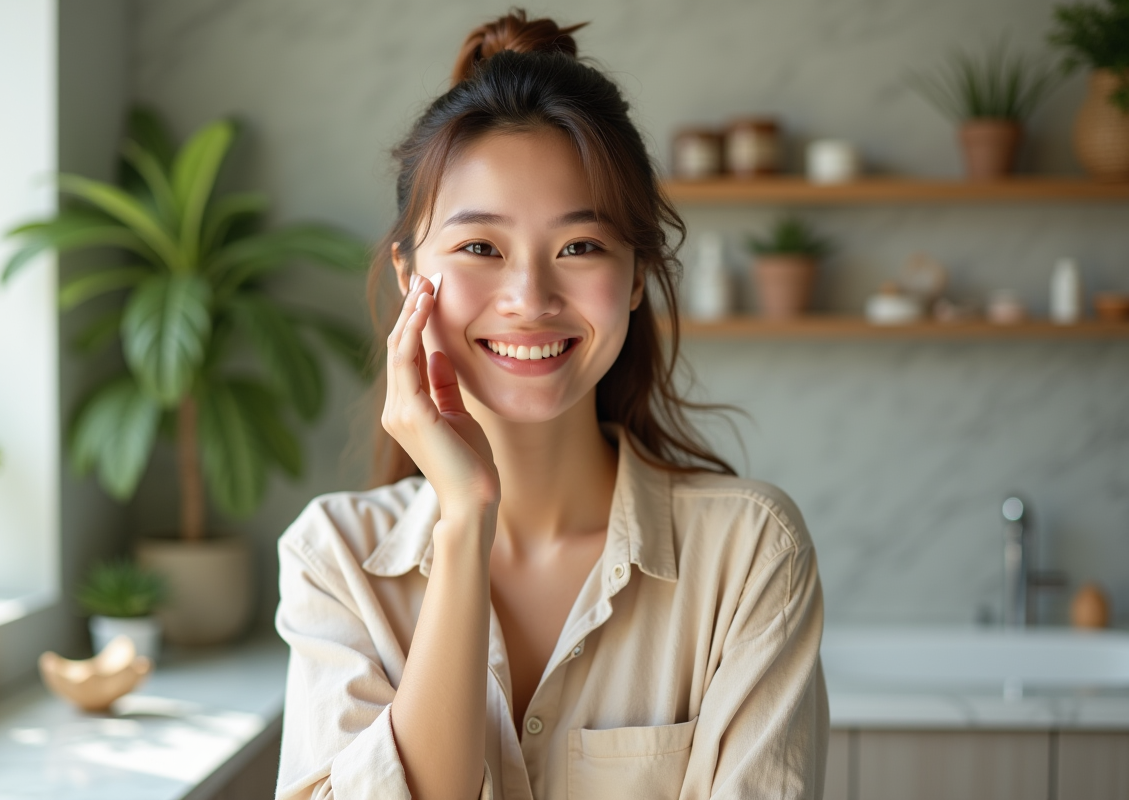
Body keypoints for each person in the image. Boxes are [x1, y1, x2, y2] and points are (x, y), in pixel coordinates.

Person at [275, 10, 828, 800]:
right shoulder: (333, 561)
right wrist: (465, 521)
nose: (529, 298)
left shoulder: (749, 554)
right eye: (479, 248)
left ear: (636, 277)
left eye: (580, 247)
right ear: (408, 275)